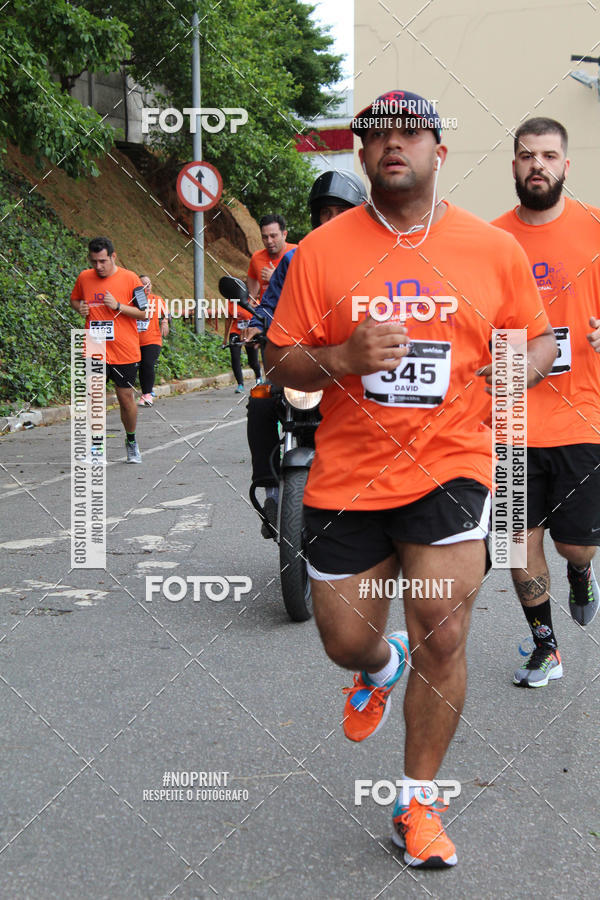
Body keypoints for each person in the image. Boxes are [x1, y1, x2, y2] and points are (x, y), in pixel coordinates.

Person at [265, 90, 556, 868]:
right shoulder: (320, 253)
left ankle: (417, 802)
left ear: (439, 152)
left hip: (451, 467)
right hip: (348, 477)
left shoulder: (492, 250)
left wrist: (509, 376)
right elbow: (280, 358)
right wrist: (343, 360)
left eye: (411, 134)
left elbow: (535, 342)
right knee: (346, 640)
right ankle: (378, 667)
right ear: (362, 158)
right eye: (376, 137)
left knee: (445, 633)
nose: (394, 144)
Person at [492, 117, 600, 688]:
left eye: (549, 155)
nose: (539, 165)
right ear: (514, 165)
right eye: (528, 155)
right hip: (510, 419)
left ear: (565, 165)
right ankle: (545, 648)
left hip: (583, 414)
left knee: (575, 543)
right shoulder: (490, 241)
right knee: (516, 545)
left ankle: (582, 573)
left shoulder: (595, 231)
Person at [244, 171, 369, 537]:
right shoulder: (294, 260)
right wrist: (256, 326)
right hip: (304, 364)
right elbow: (271, 304)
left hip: (351, 369)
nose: (332, 220)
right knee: (262, 400)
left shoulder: (372, 259)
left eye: (341, 211)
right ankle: (271, 490)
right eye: (325, 213)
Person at [71, 236, 146, 463]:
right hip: (95, 346)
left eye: (103, 261)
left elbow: (144, 313)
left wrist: (118, 306)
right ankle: (96, 449)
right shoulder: (84, 277)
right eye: (94, 261)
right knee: (94, 398)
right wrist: (80, 307)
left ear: (113, 256)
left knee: (125, 398)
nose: (98, 266)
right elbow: (74, 300)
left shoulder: (131, 278)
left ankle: (131, 441)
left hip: (124, 349)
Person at [246, 214, 296, 303]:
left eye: (273, 236)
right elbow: (252, 293)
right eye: (265, 237)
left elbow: (305, 289)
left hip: (290, 310)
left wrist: (275, 278)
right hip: (265, 312)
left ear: (284, 234)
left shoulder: (297, 253)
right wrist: (251, 302)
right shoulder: (256, 258)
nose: (269, 241)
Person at [137, 274, 170, 407]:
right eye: (143, 284)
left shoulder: (156, 299)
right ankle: (145, 392)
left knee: (148, 364)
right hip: (134, 340)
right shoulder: (132, 300)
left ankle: (147, 395)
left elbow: (166, 313)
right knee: (138, 367)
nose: (147, 287)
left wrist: (165, 321)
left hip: (152, 339)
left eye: (149, 284)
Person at [222, 297, 262, 394]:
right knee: (235, 358)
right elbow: (228, 320)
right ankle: (240, 384)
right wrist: (225, 339)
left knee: (252, 361)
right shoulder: (231, 302)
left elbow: (260, 317)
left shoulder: (253, 301)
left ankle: (258, 377)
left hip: (250, 332)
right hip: (236, 331)